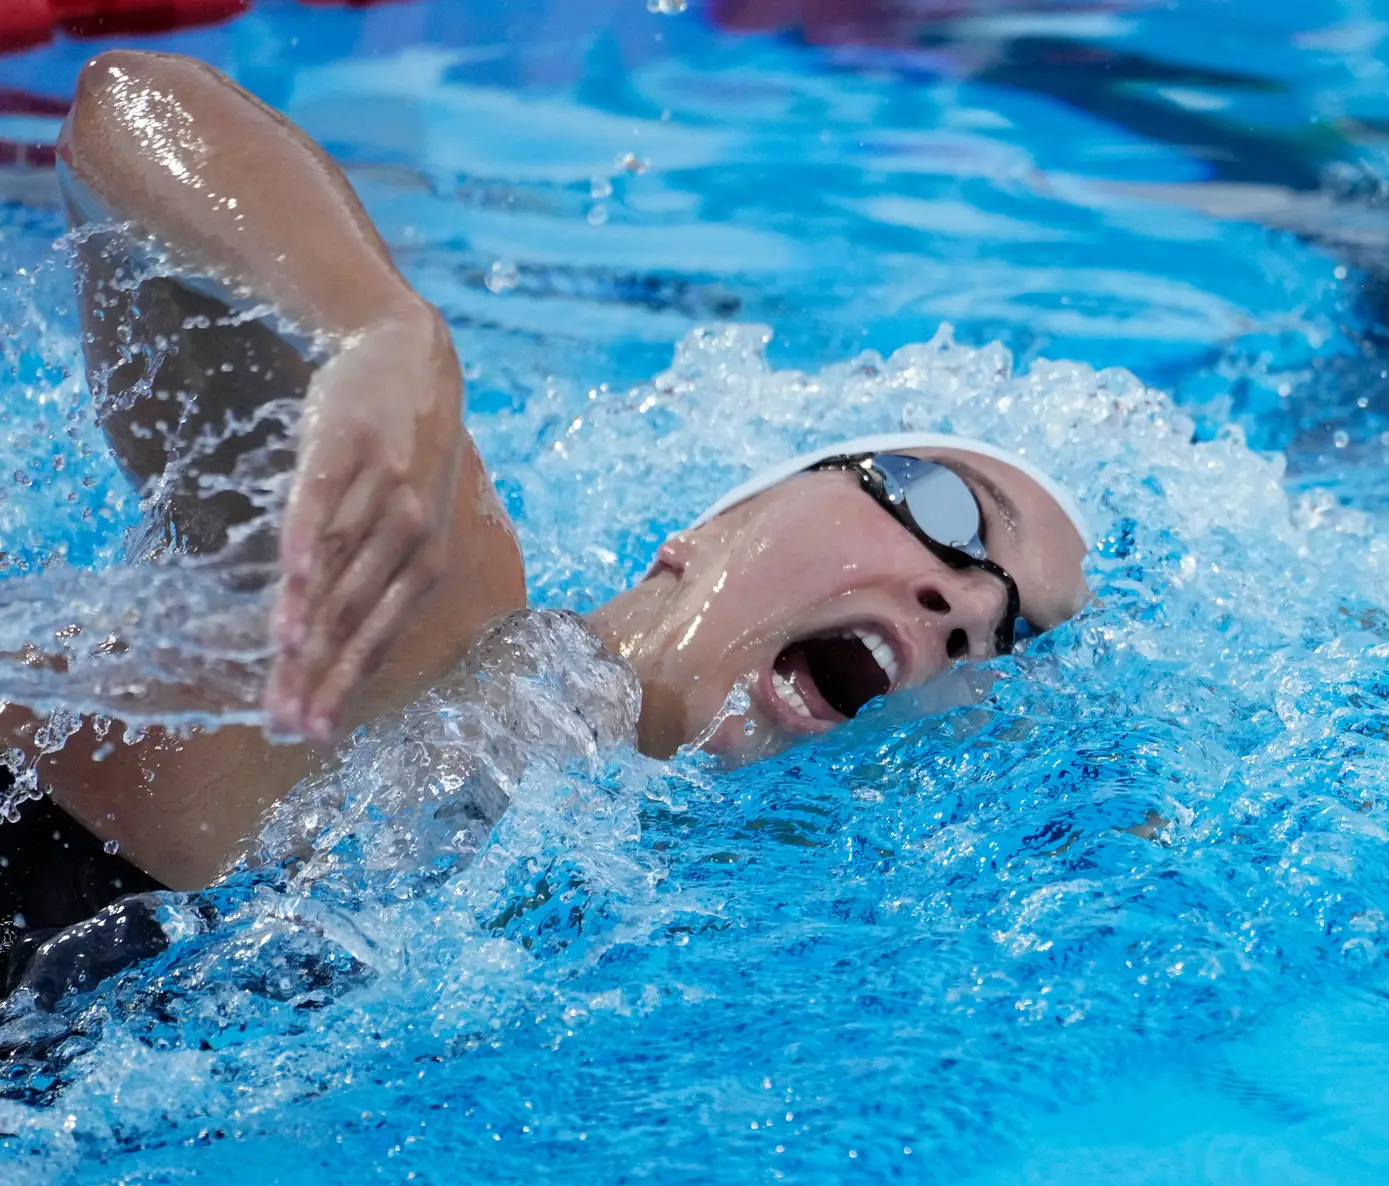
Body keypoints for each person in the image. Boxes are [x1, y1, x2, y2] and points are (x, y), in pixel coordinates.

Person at [0, 51, 1090, 996]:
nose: (971, 604)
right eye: (943, 507)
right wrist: (377, 327)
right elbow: (127, 109)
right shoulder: (429, 612)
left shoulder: (620, 942)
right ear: (710, 528)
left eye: (1010, 636)